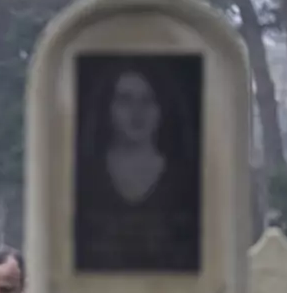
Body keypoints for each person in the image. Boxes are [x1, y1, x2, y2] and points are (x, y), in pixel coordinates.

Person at [75, 67, 201, 271]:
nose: (137, 111)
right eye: (125, 100)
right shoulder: (85, 178)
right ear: (108, 108)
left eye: (148, 100)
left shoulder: (185, 180)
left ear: (161, 108)